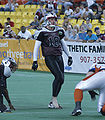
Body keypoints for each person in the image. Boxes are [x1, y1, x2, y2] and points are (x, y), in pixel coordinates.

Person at [32, 13, 73, 109]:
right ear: (47, 20)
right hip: (49, 57)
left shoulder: (59, 31)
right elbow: (36, 47)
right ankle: (54, 100)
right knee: (58, 76)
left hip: (59, 56)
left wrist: (69, 56)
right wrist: (35, 61)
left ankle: (52, 101)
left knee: (61, 79)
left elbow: (63, 44)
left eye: (54, 19)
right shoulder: (42, 32)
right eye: (51, 19)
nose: (53, 21)